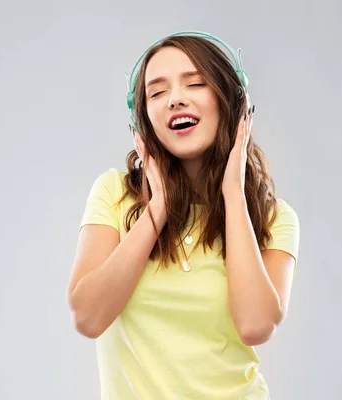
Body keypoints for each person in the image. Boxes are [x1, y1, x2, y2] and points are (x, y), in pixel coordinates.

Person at [67, 31, 300, 399]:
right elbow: (88, 317)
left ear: (232, 103)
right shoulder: (113, 194)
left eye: (195, 83)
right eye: (157, 93)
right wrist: (157, 210)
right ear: (143, 118)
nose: (175, 99)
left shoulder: (274, 219)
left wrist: (233, 196)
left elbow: (255, 326)